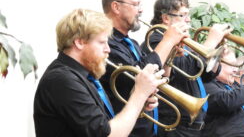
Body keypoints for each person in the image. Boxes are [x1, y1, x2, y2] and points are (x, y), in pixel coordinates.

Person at [33, 9, 166, 137]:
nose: (108, 49)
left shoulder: (82, 76)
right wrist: (140, 94)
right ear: (79, 42)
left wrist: (138, 103)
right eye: (102, 42)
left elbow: (104, 125)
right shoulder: (62, 80)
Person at [140, 0, 232, 137]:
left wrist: (216, 55)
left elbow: (203, 75)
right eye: (183, 15)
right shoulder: (156, 41)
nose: (188, 19)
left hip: (192, 124)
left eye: (188, 15)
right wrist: (210, 42)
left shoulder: (182, 40)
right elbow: (185, 70)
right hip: (174, 124)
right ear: (165, 18)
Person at [101, 0, 190, 136]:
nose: (141, 10)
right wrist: (168, 41)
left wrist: (171, 52)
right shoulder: (107, 45)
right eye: (136, 5)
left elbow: (161, 74)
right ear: (116, 7)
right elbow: (139, 76)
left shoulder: (132, 44)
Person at [201, 49, 244, 137]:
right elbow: (227, 102)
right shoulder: (207, 84)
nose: (236, 70)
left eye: (236, 66)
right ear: (216, 64)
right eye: (232, 65)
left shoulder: (234, 85)